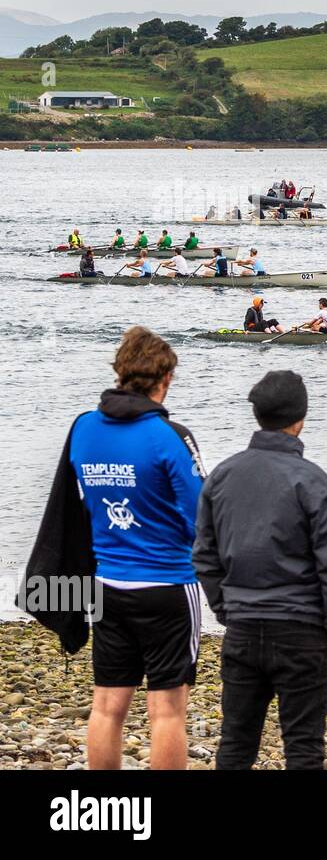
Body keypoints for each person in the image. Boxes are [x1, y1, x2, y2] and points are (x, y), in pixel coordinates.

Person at [28, 327, 206, 769]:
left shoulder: (85, 428)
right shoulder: (171, 436)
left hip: (107, 585)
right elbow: (202, 520)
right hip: (167, 586)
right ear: (164, 379)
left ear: (121, 372)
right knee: (166, 711)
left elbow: (74, 502)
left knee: (107, 705)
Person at [194, 370, 327, 770]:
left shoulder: (223, 475)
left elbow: (203, 555)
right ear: (301, 418)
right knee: (303, 746)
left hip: (244, 628)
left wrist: (227, 608)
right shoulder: (314, 481)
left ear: (257, 415)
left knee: (236, 743)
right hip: (303, 632)